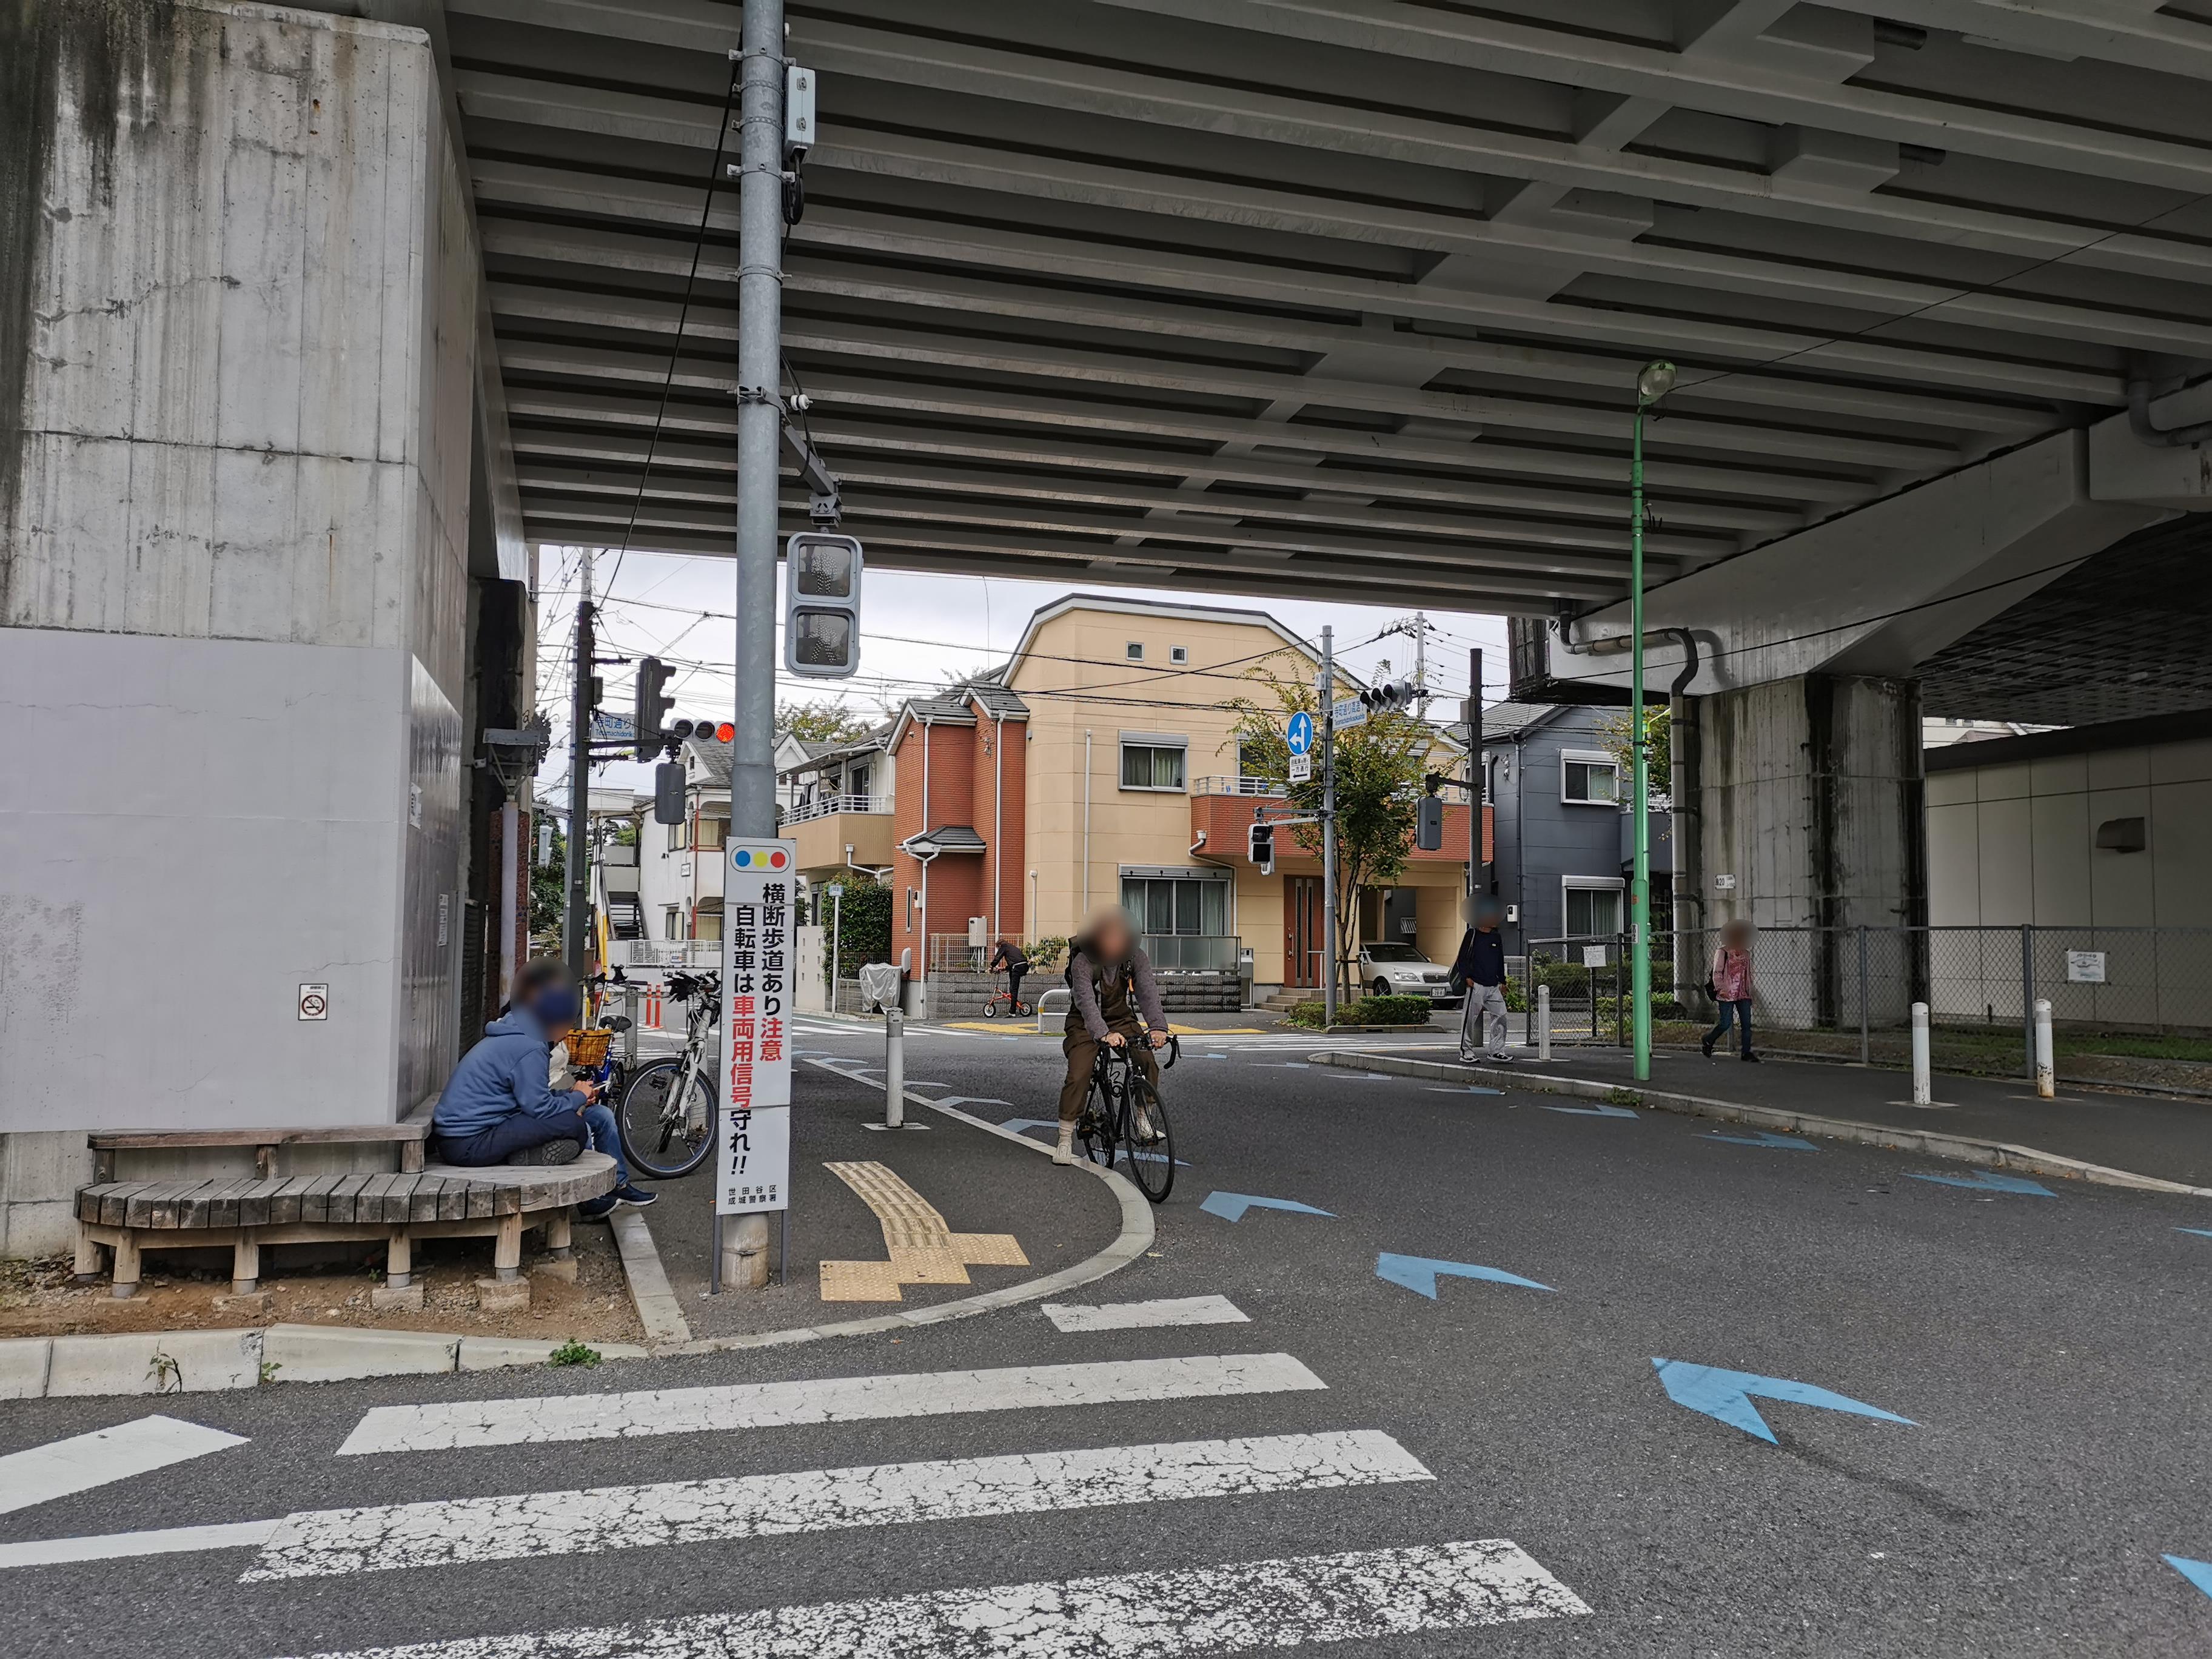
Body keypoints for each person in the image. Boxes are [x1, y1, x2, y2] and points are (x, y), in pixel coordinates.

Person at [432, 962, 658, 1215]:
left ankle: (618, 1183)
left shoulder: (523, 1034)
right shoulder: (529, 1046)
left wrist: (573, 1096)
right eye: (568, 1025)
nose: (567, 1034)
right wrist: (576, 1098)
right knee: (574, 1126)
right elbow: (539, 1108)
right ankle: (588, 1199)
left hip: (492, 1126)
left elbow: (532, 1098)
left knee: (601, 1116)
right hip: (468, 1142)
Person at [1055, 905, 1169, 1165]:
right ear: (1097, 937)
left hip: (1121, 1018)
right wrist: (1103, 1034)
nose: (1115, 942)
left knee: (1147, 1061)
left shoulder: (1135, 957)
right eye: (1109, 936)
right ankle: (1065, 1138)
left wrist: (1158, 1027)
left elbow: (1147, 991)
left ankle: (1143, 1119)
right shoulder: (1083, 960)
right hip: (1084, 1022)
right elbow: (1085, 1001)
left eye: (1119, 936)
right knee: (1079, 1073)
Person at [1450, 896, 1512, 1064]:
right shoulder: (1472, 935)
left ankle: (1497, 1051)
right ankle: (1466, 1052)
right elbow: (1462, 958)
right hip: (1476, 984)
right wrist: (1467, 977)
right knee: (1470, 1019)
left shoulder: (1496, 937)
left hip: (1493, 985)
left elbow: (1499, 959)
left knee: (1501, 1015)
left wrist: (1502, 981)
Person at [1703, 919, 1760, 1062]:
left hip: (1743, 994)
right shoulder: (1723, 952)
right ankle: (1709, 1039)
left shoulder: (1746, 954)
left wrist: (1750, 990)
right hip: (1727, 994)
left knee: (1747, 1025)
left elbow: (1748, 974)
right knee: (1725, 1023)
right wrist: (1721, 989)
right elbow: (1717, 973)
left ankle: (1746, 1052)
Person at [988, 937, 1030, 1011]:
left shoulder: (1003, 946)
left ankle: (1012, 1012)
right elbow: (1015, 963)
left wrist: (991, 966)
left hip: (1017, 967)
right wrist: (1004, 968)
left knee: (1014, 989)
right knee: (1012, 988)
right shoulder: (1012, 947)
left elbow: (998, 957)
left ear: (999, 946)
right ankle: (1016, 1003)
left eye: (998, 948)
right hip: (1024, 966)